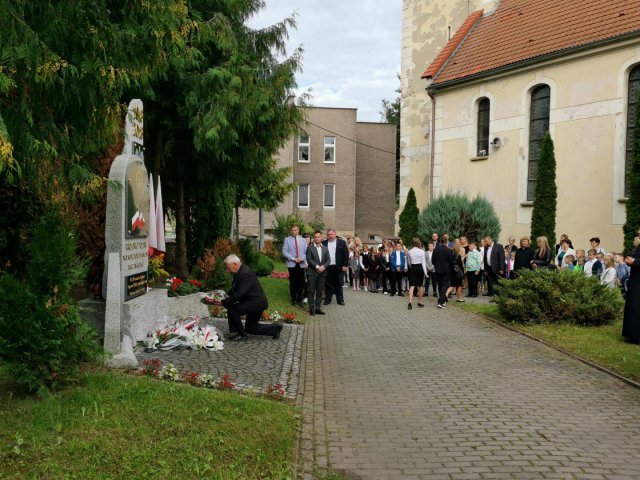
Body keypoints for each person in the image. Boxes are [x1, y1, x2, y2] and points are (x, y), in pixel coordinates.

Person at [216, 255, 282, 341]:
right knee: (251, 328)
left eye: (228, 268)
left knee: (233, 309)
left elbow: (240, 293)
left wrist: (224, 302)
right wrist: (224, 296)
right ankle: (275, 329)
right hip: (254, 302)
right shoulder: (239, 271)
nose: (227, 270)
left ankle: (242, 335)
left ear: (235, 264)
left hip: (257, 302)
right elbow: (234, 289)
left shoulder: (245, 273)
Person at [282, 224, 307, 307]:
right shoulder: (287, 239)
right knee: (293, 282)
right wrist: (293, 258)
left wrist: (302, 259)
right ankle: (293, 299)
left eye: (295, 230)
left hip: (301, 264)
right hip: (292, 264)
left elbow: (306, 252)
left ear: (298, 230)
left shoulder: (303, 240)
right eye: (292, 230)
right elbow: (284, 252)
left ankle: (300, 299)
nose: (293, 232)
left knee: (301, 282)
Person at [306, 231, 330, 316]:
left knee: (320, 291)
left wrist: (323, 267)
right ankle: (311, 308)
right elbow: (309, 260)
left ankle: (318, 308)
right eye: (315, 237)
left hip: (322, 273)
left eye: (318, 237)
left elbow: (328, 260)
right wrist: (317, 267)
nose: (317, 238)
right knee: (311, 291)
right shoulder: (310, 248)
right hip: (312, 273)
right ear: (314, 238)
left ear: (321, 238)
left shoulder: (325, 248)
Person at [323, 229, 349, 305]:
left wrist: (345, 265)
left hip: (339, 267)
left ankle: (340, 300)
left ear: (335, 234)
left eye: (331, 234)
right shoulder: (324, 243)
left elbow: (346, 255)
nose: (330, 236)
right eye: (328, 235)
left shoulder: (342, 243)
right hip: (328, 267)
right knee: (328, 284)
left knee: (339, 284)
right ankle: (328, 299)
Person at [622, 233, 640, 343]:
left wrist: (634, 261)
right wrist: (629, 260)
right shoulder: (638, 246)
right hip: (635, 280)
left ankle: (637, 337)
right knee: (633, 307)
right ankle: (631, 334)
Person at [431, 236, 453, 308]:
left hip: (438, 270)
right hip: (446, 270)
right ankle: (440, 301)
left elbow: (433, 261)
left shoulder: (436, 250)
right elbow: (451, 261)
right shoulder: (449, 250)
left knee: (440, 285)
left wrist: (437, 265)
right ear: (446, 242)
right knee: (445, 285)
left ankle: (442, 300)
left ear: (440, 242)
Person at [407, 238, 427, 309]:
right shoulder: (422, 251)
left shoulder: (409, 251)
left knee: (412, 286)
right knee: (420, 285)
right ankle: (420, 302)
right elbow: (423, 263)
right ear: (419, 243)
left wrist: (411, 267)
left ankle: (410, 301)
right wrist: (425, 272)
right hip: (420, 268)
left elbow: (409, 262)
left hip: (413, 268)